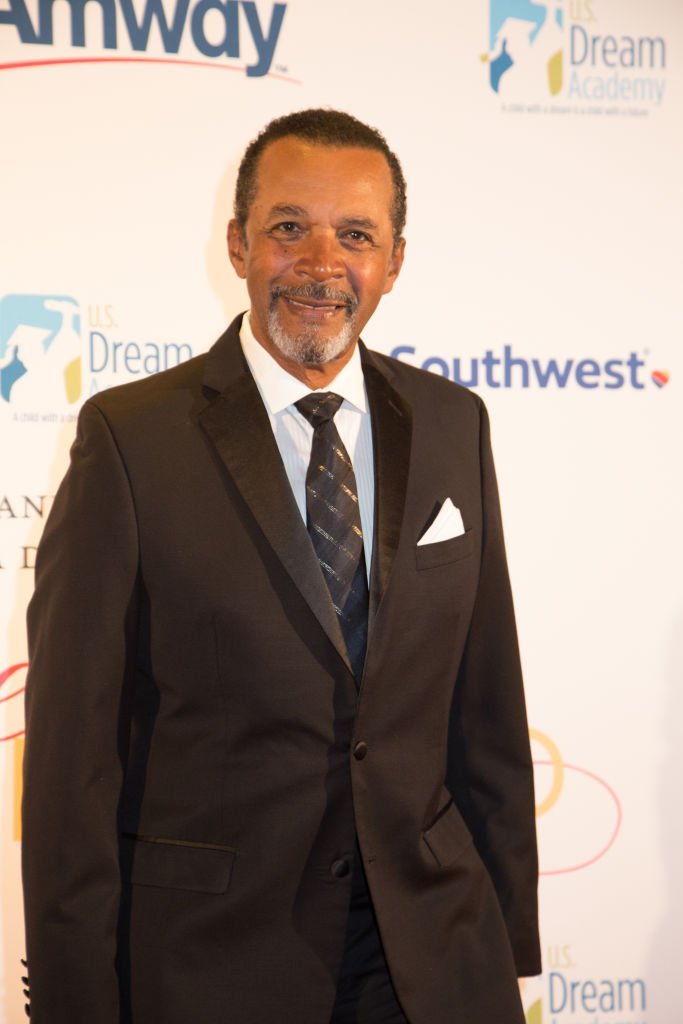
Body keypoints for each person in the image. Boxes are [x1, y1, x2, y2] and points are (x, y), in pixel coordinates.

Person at [22, 108, 541, 1023]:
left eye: (355, 235)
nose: (320, 263)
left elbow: (483, 700)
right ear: (238, 243)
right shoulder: (130, 439)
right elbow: (73, 759)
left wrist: (503, 940)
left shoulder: (454, 422)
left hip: (430, 955)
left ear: (394, 261)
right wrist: (74, 996)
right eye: (288, 228)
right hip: (210, 965)